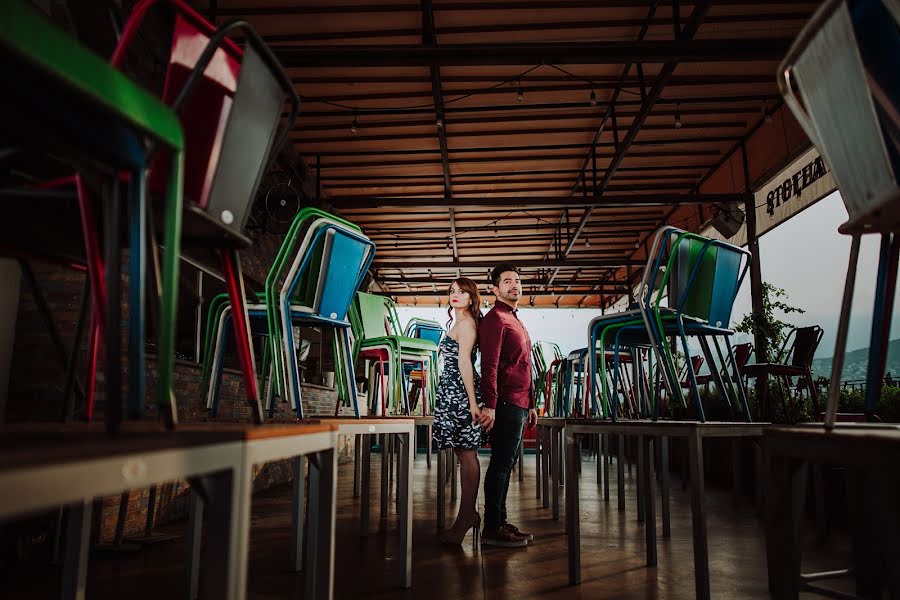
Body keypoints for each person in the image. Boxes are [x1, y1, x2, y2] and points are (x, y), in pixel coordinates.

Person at [478, 263, 537, 547]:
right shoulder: (495, 320)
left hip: (520, 402)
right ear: (495, 289)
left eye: (517, 280)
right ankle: (492, 527)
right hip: (504, 402)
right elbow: (488, 365)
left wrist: (532, 403)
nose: (514, 284)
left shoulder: (516, 319)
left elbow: (525, 365)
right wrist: (489, 405)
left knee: (507, 464)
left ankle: (500, 521)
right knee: (501, 465)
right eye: (507, 281)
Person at [433, 277, 487, 546]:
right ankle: (467, 514)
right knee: (463, 451)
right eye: (452, 291)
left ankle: (467, 515)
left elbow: (465, 361)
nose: (455, 295)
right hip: (454, 392)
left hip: (461, 393)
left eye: (461, 292)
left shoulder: (466, 324)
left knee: (467, 452)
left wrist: (473, 403)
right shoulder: (459, 322)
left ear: (471, 298)